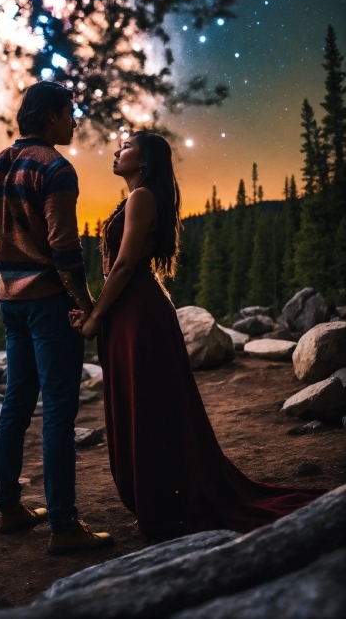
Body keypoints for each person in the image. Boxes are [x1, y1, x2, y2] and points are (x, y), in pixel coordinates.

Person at [70, 132, 325, 538]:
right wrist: (98, 313)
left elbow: (122, 267)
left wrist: (94, 318)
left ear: (146, 159)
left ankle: (162, 503)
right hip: (131, 313)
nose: (117, 151)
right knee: (145, 404)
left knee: (148, 407)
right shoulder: (138, 196)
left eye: (127, 146)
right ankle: (159, 499)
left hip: (138, 315)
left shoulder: (141, 197)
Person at [0, 81, 113, 554]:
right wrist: (87, 303)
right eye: (70, 113)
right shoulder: (55, 168)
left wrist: (6, 276)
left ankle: (9, 508)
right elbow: (63, 247)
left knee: (16, 402)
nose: (74, 122)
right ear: (51, 116)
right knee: (57, 411)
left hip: (10, 301)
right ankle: (63, 525)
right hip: (51, 303)